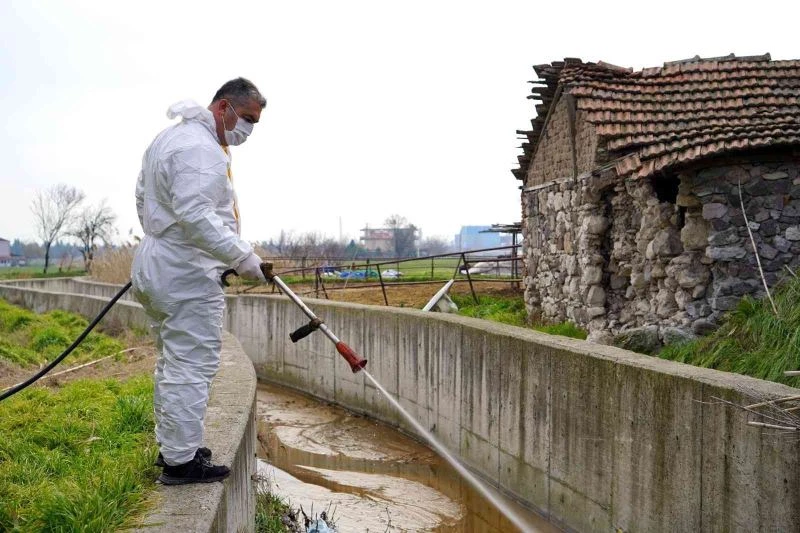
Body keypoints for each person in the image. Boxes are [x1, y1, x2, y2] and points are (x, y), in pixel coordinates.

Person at [131, 78, 267, 485]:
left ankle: (178, 447)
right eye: (246, 118)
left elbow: (144, 197)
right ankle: (180, 463)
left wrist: (170, 242)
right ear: (223, 106)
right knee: (192, 365)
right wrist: (241, 256)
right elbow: (196, 214)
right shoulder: (201, 149)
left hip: (163, 263)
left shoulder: (173, 138)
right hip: (183, 273)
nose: (247, 130)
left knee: (174, 363)